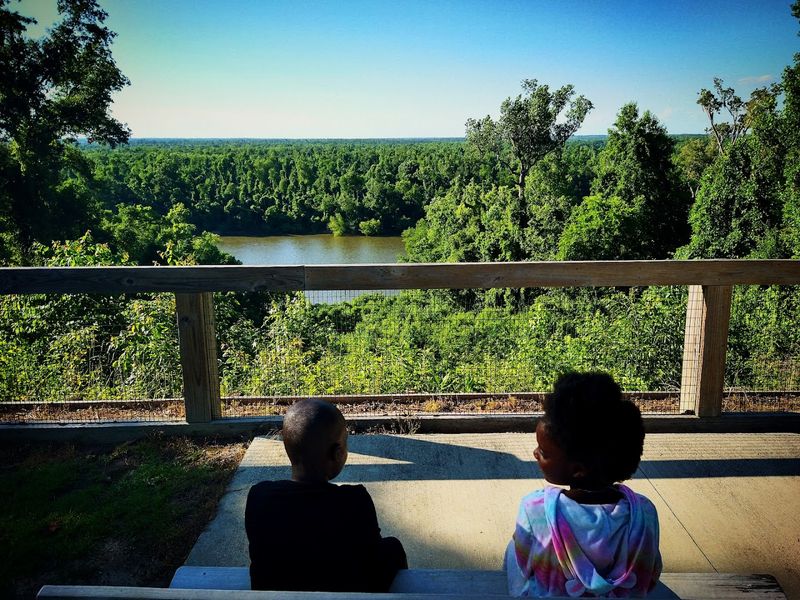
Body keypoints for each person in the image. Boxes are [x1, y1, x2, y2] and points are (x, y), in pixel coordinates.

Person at [505, 372, 662, 597]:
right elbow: (653, 573)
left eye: (544, 452)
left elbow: (522, 565)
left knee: (514, 548)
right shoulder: (645, 512)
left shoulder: (536, 509)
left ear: (578, 469)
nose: (535, 454)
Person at [245, 398, 407, 592]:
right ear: (338, 453)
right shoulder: (355, 501)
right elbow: (372, 564)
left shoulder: (259, 497)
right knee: (392, 548)